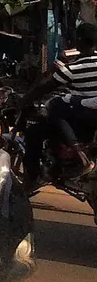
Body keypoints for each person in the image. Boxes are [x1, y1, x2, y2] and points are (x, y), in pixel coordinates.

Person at [21, 22, 97, 184]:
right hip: (89, 117)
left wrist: (24, 100)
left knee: (37, 128)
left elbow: (44, 87)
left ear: (80, 41)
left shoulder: (73, 68)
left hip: (82, 118)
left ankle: (32, 178)